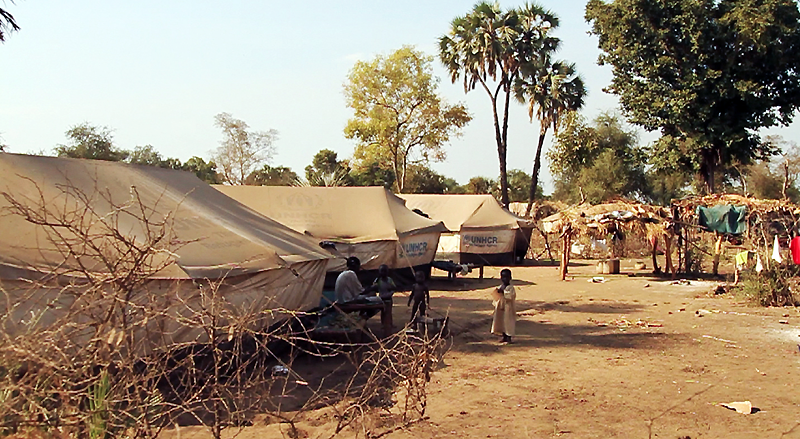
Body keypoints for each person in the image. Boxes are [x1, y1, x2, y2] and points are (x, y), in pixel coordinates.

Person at [369, 264, 397, 335]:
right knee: (383, 312)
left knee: (389, 312)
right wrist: (376, 283)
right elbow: (373, 287)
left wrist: (391, 288)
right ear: (379, 272)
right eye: (382, 271)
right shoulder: (378, 280)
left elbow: (394, 287)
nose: (383, 273)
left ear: (387, 272)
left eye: (385, 271)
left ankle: (390, 323)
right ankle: (383, 324)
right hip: (382, 299)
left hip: (389, 298)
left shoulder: (389, 280)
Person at [491, 268, 516, 344]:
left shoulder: (511, 288)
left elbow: (510, 296)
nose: (505, 279)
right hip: (500, 308)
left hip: (508, 308)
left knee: (508, 323)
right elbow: (496, 297)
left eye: (506, 277)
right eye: (503, 277)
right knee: (501, 323)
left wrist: (504, 293)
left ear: (510, 278)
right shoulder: (500, 287)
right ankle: (504, 336)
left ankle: (509, 338)